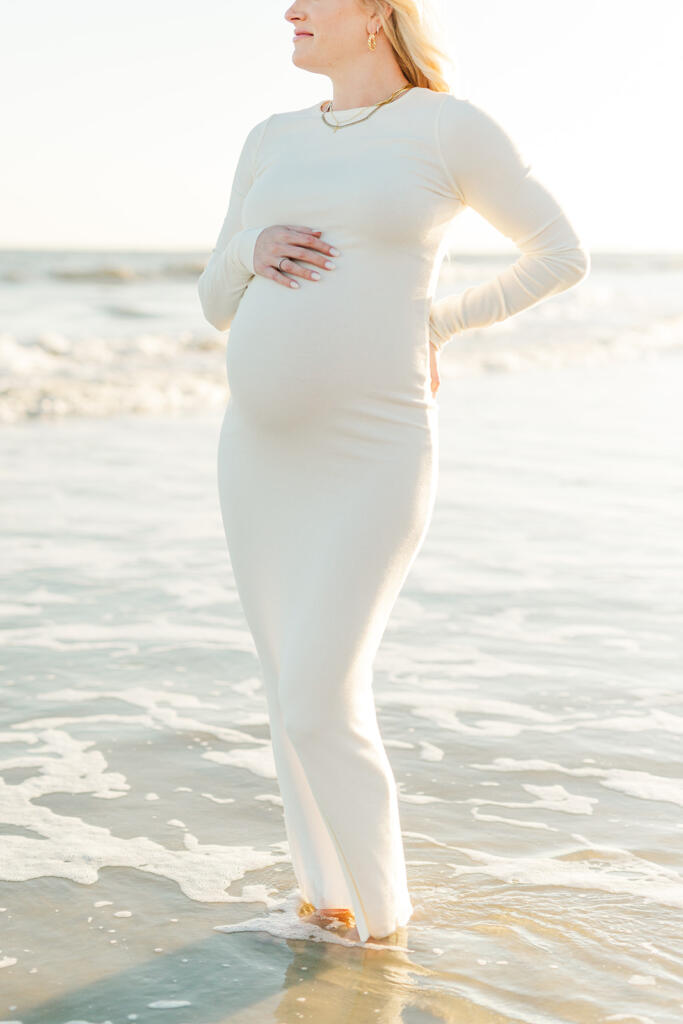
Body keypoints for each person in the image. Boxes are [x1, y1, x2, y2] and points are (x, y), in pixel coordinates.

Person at [197, 0, 589, 944]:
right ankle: (326, 904)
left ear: (375, 13)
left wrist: (435, 322)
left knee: (320, 694)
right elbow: (216, 300)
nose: (287, 10)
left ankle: (386, 932)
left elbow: (560, 255)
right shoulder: (269, 137)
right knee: (283, 683)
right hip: (256, 450)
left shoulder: (448, 127)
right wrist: (250, 250)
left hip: (374, 446)